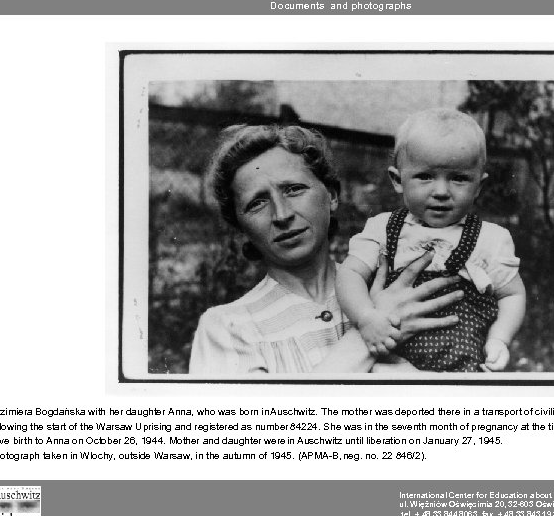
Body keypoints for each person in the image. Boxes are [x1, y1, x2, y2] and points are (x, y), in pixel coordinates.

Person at [189, 123, 466, 375]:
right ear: (241, 227)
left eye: (294, 189)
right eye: (257, 203)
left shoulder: (394, 289)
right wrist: (375, 325)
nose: (282, 214)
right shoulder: (228, 328)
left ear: (332, 196)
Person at [336, 108, 526, 372]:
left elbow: (512, 294)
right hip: (386, 363)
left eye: (459, 178)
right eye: (425, 176)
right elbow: (350, 274)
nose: (441, 191)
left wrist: (499, 339)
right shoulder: (383, 229)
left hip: (457, 370)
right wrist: (366, 317)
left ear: (478, 187)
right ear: (397, 179)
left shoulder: (489, 239)